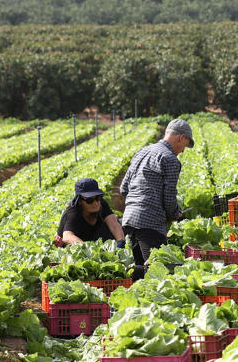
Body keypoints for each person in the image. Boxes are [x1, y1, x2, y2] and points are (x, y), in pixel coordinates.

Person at [120, 118, 193, 278]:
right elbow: (169, 197)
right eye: (185, 145)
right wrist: (176, 214)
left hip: (129, 219)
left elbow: (123, 188)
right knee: (158, 271)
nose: (183, 151)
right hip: (151, 222)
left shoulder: (142, 152)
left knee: (143, 274)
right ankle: (124, 274)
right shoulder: (170, 160)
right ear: (181, 138)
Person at [56, 178, 125, 246]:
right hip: (77, 247)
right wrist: (87, 249)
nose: (95, 203)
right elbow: (67, 236)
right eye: (89, 200)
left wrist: (121, 241)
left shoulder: (101, 203)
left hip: (93, 239)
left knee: (118, 226)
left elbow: (113, 224)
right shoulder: (73, 212)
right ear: (80, 201)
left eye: (97, 198)